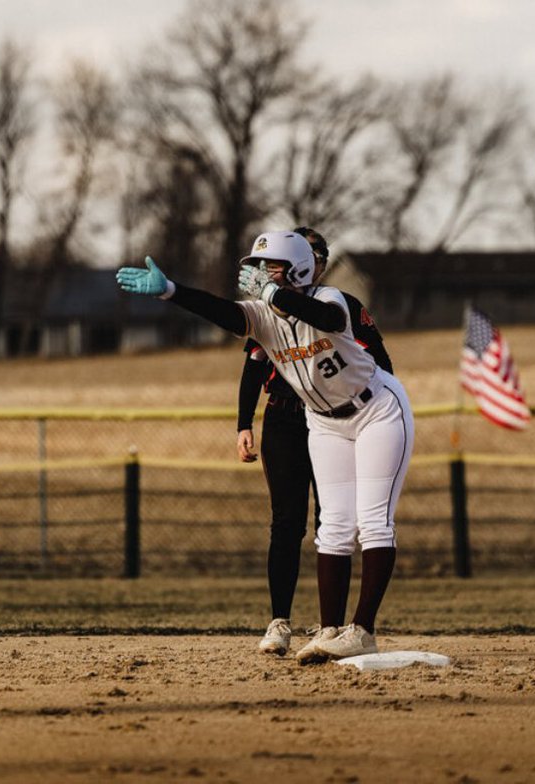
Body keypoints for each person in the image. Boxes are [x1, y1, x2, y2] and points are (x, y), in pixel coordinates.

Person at [116, 232, 414, 664]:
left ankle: (363, 630)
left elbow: (325, 318)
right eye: (258, 267)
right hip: (324, 420)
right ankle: (331, 631)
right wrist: (171, 291)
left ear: (297, 267)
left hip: (377, 411)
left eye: (270, 265)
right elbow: (223, 312)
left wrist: (275, 292)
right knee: (332, 526)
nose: (259, 274)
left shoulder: (333, 297)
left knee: (372, 522)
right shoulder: (263, 315)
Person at [237, 227, 394, 657]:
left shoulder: (336, 305)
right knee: (286, 523)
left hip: (338, 419)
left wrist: (381, 415)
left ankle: (336, 627)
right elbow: (254, 365)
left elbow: (378, 359)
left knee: (335, 522)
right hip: (286, 422)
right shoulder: (270, 311)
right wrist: (242, 423)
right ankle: (279, 622)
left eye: (319, 254)